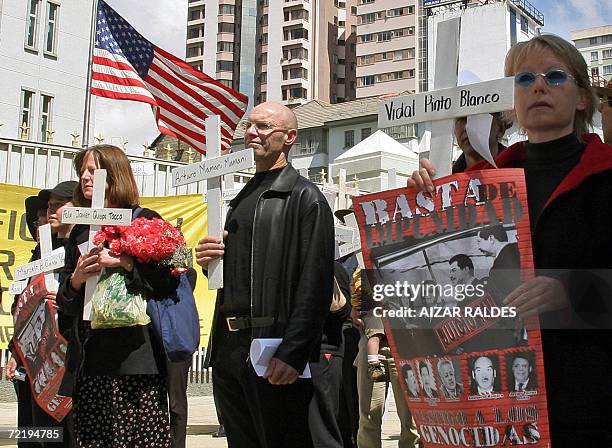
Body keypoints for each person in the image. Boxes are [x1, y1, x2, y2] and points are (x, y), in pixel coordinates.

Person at [411, 34, 612, 444]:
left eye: (555, 76)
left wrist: (570, 291)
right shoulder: (474, 189)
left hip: (589, 400)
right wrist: (423, 205)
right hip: (502, 405)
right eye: (523, 79)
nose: (538, 86)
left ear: (580, 98)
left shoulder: (606, 176)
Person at [195, 101, 335, 448]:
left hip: (272, 351)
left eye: (264, 127)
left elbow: (315, 284)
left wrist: (293, 352)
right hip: (231, 350)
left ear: (290, 137)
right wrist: (209, 260)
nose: (252, 133)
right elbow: (241, 271)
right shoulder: (240, 198)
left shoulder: (305, 198)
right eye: (249, 126)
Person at [56, 145, 178, 447]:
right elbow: (65, 300)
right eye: (82, 171)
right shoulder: (80, 231)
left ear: (115, 175)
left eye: (93, 170)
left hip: (135, 357)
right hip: (89, 357)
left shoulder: (145, 219)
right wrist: (76, 279)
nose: (85, 178)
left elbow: (173, 276)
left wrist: (124, 262)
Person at [6, 182, 78, 448]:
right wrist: (15, 350)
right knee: (32, 431)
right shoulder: (38, 258)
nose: (46, 216)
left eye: (57, 207)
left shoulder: (76, 249)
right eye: (45, 210)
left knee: (59, 434)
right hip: (32, 360)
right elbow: (23, 307)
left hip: (64, 358)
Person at [350, 268, 420, 448]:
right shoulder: (364, 268)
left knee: (410, 416)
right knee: (370, 414)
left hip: (403, 345)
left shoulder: (407, 270)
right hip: (374, 345)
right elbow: (357, 306)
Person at [308, 262, 352, 448]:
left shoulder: (333, 267)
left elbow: (342, 311)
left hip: (323, 353)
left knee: (323, 427)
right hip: (293, 356)